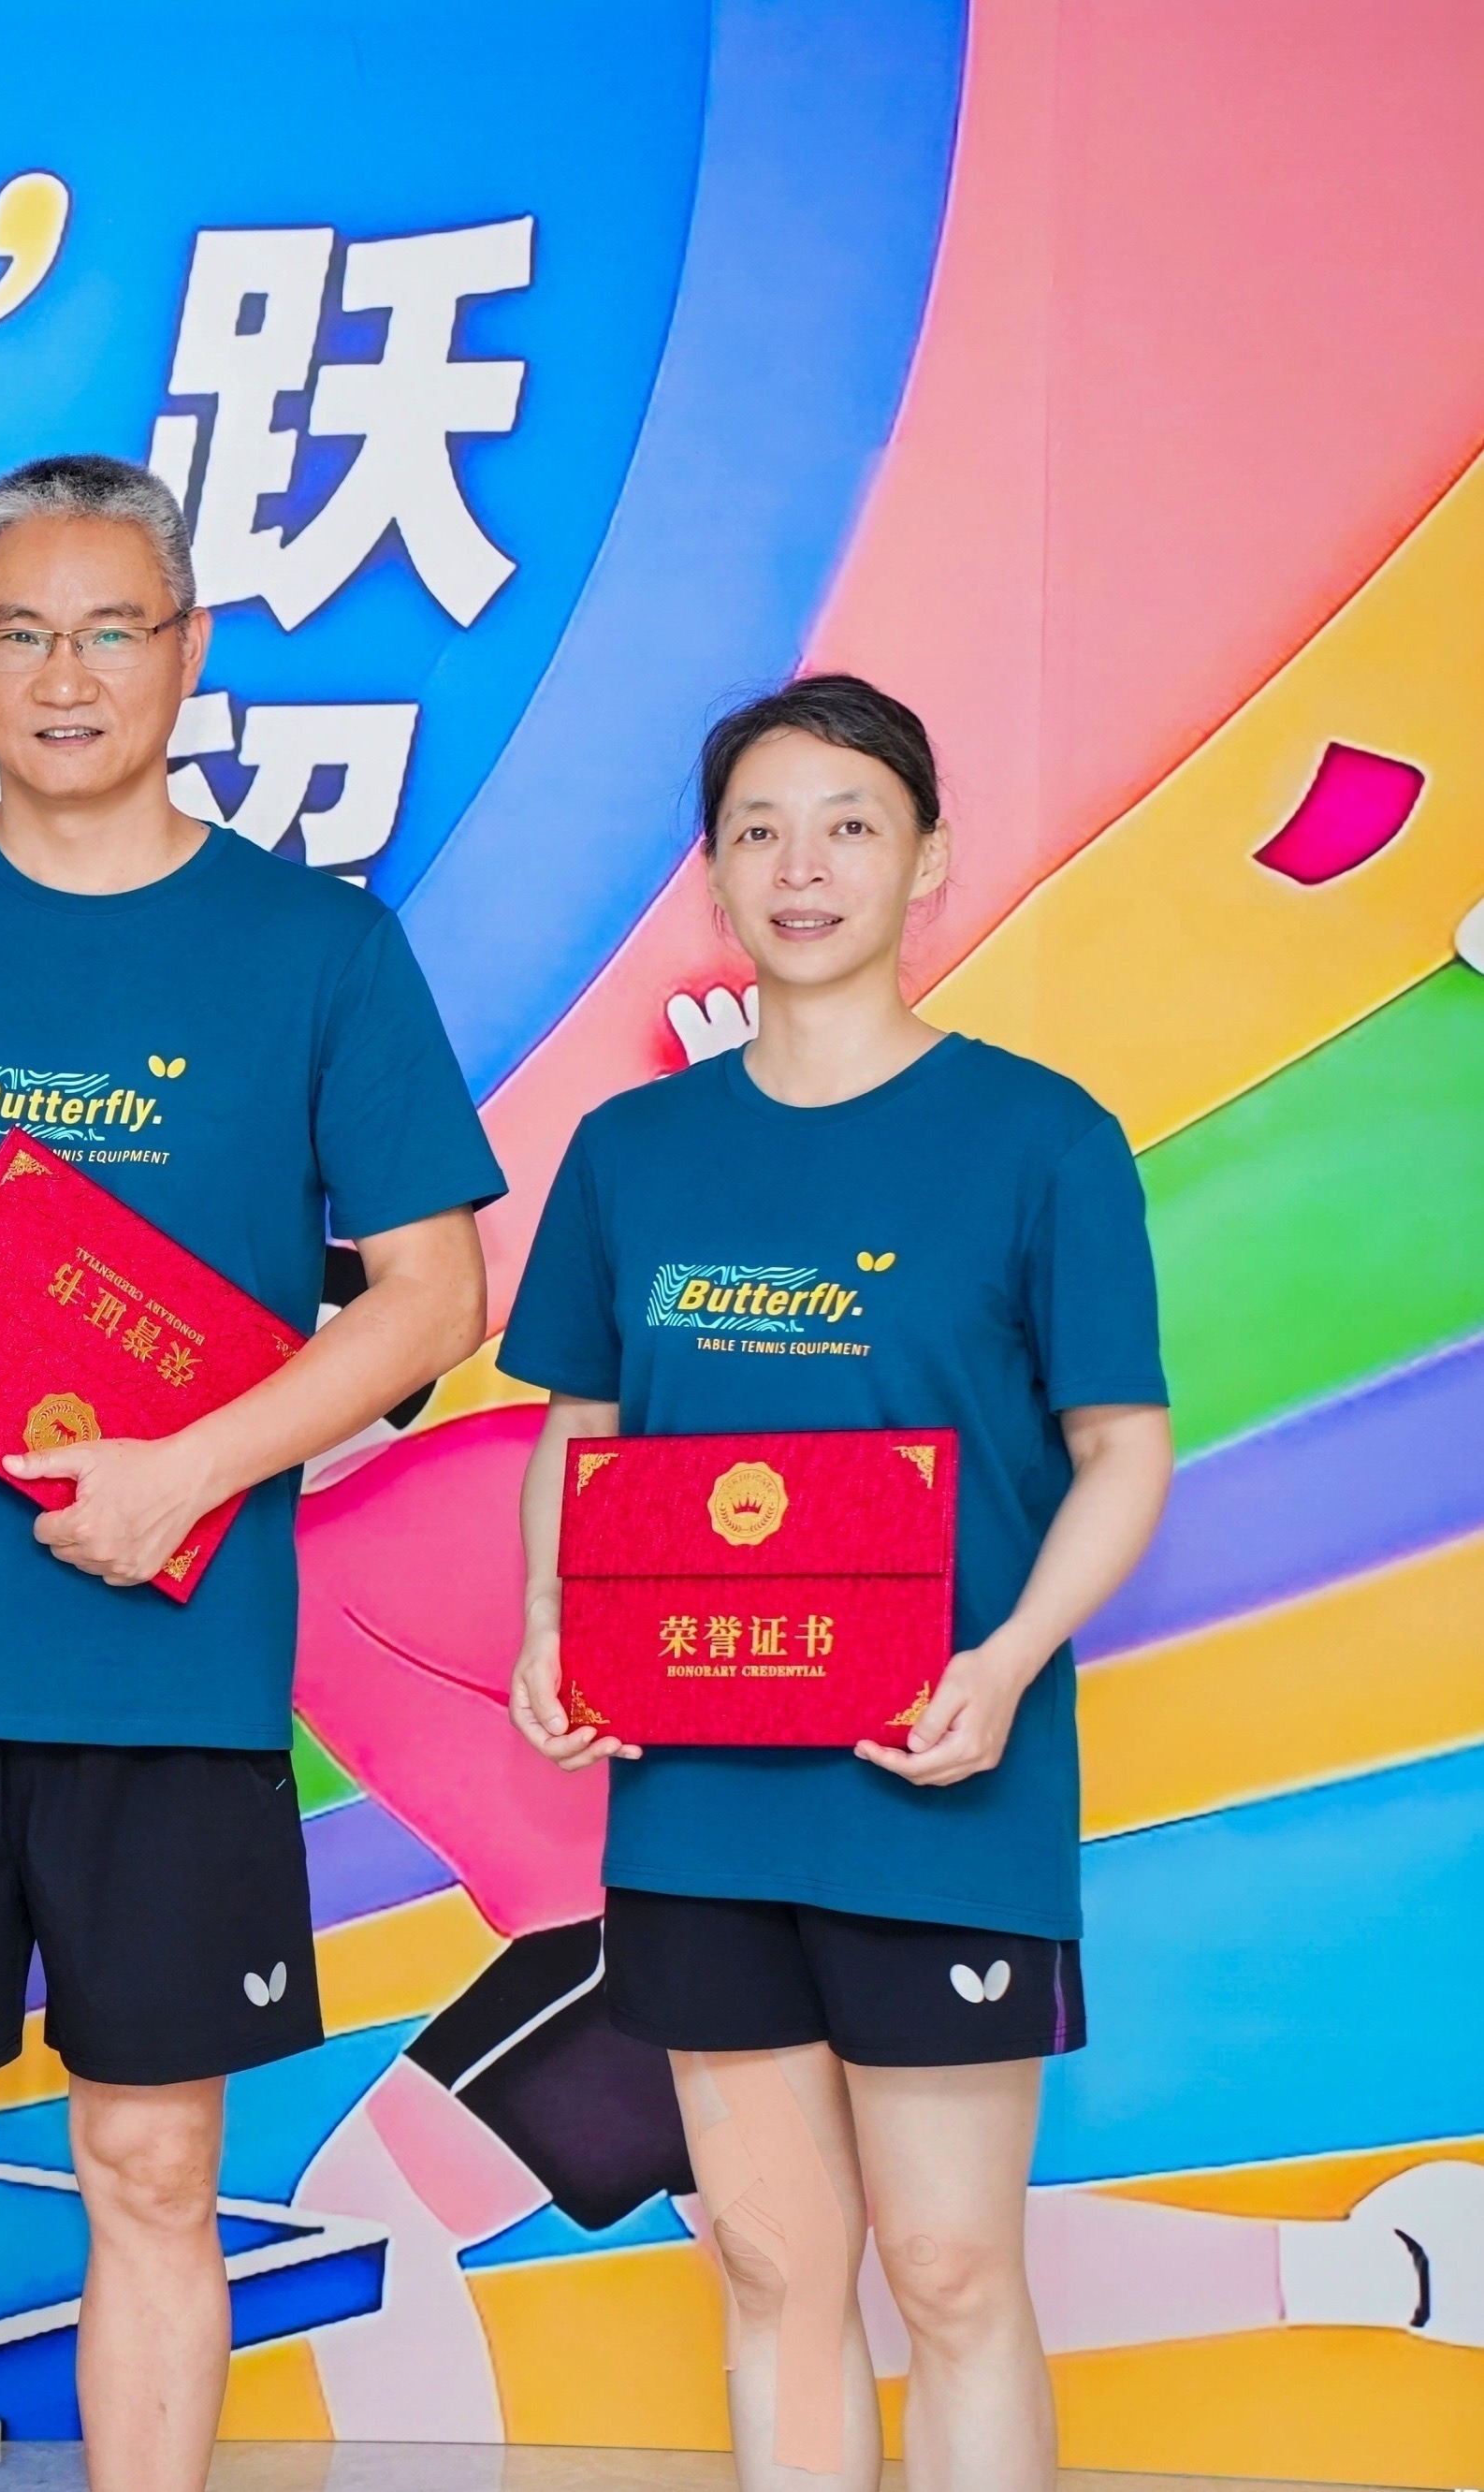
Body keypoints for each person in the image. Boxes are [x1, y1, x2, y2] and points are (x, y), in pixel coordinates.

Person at [0, 454, 501, 2491]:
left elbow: (435, 1293)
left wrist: (186, 1471)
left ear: (190, 649)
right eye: (21, 633)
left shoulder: (314, 949)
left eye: (111, 629)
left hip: (177, 1676)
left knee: (155, 2168)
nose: (66, 676)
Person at [501, 675, 1177, 2491]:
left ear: (928, 858)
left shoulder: (1039, 1140)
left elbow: (1123, 1449)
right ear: (717, 876)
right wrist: (558, 1624)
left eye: (850, 827)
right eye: (760, 833)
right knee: (775, 2267)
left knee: (950, 2271)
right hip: (702, 1804)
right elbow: (581, 1425)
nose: (802, 868)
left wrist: (1008, 1661)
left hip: (941, 1790)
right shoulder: (632, 1153)